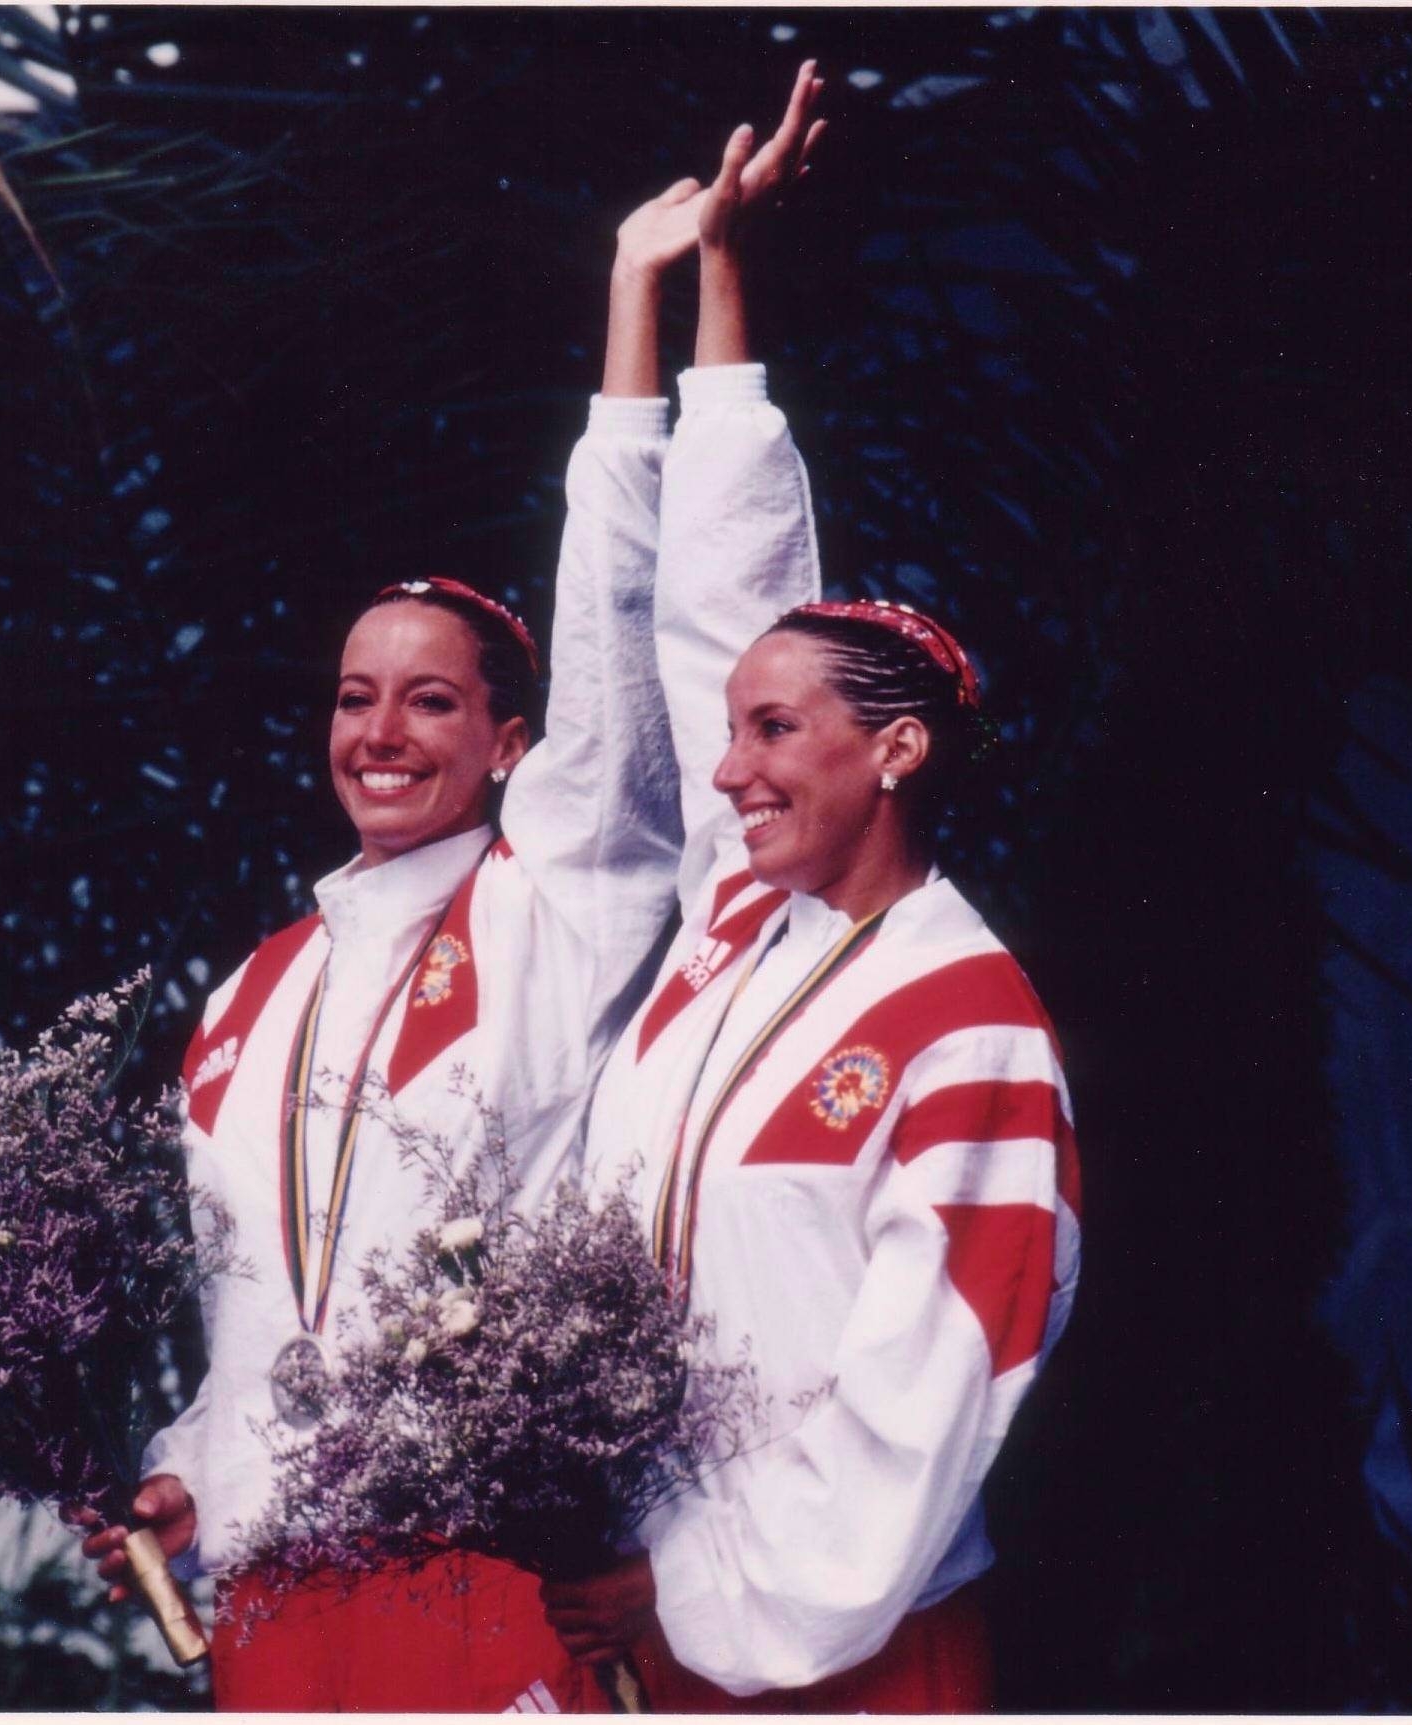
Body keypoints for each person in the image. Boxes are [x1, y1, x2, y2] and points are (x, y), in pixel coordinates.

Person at [81, 69, 831, 1714]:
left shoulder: (552, 897)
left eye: (430, 701)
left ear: (507, 743)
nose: (381, 732)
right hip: (280, 1609)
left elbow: (618, 624)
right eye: (356, 696)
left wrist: (642, 300)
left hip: (485, 1580)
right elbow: (256, 1314)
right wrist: (190, 1480)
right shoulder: (248, 999)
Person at [541, 125, 1083, 1714]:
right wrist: (689, 276)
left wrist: (690, 1579)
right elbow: (717, 592)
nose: (726, 771)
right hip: (642, 1622)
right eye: (733, 730)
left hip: (838, 1644)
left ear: (893, 750)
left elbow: (928, 1390)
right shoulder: (733, 932)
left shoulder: (967, 1020)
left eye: (774, 732)